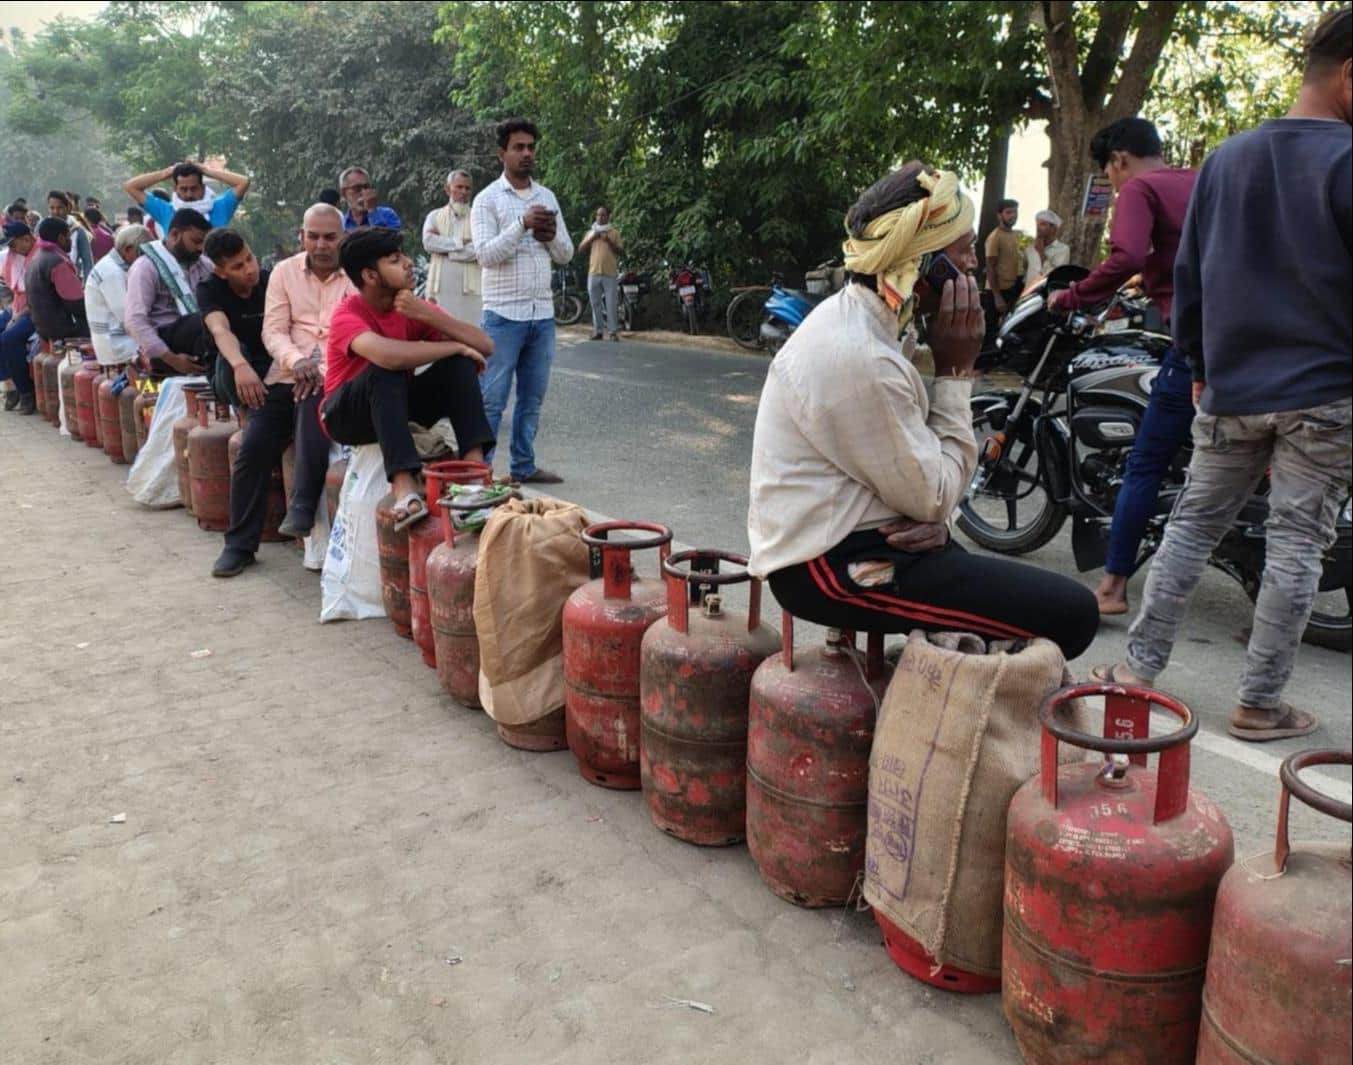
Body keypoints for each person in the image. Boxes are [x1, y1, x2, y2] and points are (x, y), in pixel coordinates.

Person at [1097, 6, 1351, 741]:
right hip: (1324, 393)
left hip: (1229, 384)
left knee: (1190, 526)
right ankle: (1258, 703)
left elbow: (1190, 277)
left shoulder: (1226, 160)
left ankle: (1137, 670)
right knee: (1296, 543)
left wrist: (1201, 366)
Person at [746, 162, 1098, 659]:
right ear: (923, 266)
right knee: (1073, 615)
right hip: (827, 566)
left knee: (1008, 591)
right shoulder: (862, 358)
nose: (973, 265)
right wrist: (956, 372)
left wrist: (938, 518)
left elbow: (923, 483)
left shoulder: (873, 323)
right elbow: (933, 496)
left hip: (865, 535)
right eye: (963, 251)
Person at [1048, 117, 1198, 616]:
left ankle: (1112, 587)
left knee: (1146, 463)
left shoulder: (1140, 189)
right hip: (1250, 338)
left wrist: (1071, 296)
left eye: (1109, 175)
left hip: (1198, 343)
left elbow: (1128, 254)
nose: (1113, 185)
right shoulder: (1198, 179)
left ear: (1118, 160)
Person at [320, 226, 495, 529]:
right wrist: (454, 346)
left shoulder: (410, 307)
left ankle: (474, 476)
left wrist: (429, 315)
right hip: (346, 416)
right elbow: (389, 356)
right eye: (394, 260)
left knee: (459, 364)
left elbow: (486, 345)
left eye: (403, 256)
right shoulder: (348, 314)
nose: (408, 263)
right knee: (385, 369)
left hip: (393, 406)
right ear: (370, 276)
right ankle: (404, 490)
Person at [471, 117, 574, 484]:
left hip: (541, 315)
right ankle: (479, 473)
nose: (527, 153)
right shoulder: (487, 200)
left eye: (531, 147)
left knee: (532, 400)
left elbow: (565, 254)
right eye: (518, 147)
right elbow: (485, 255)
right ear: (502, 153)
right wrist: (522, 225)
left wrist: (549, 235)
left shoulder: (547, 197)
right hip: (502, 315)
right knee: (492, 400)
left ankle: (523, 465)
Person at [259, 203, 355, 540]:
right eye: (313, 236)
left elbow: (359, 335)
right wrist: (297, 362)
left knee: (313, 396)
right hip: (289, 373)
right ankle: (240, 541)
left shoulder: (358, 274)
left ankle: (301, 505)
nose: (321, 245)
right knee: (253, 444)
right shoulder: (283, 272)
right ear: (302, 236)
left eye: (330, 237)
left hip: (340, 375)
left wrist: (321, 371)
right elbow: (273, 330)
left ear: (343, 238)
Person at [192, 228, 274, 576]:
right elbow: (220, 331)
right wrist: (241, 366)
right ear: (221, 271)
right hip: (231, 373)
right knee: (253, 446)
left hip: (275, 369)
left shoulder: (270, 281)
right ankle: (239, 545)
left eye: (250, 259)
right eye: (238, 266)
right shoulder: (210, 289)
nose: (250, 269)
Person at [124, 208, 213, 375]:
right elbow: (134, 321)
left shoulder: (203, 264)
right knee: (202, 321)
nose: (201, 248)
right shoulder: (145, 267)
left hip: (198, 336)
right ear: (174, 235)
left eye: (203, 243)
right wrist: (173, 359)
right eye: (196, 241)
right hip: (164, 347)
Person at [23, 218, 90, 410]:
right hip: (63, 328)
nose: (70, 241)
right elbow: (76, 304)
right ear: (61, 238)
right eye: (68, 237)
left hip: (43, 326)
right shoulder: (57, 262)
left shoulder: (36, 258)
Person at [85, 223, 152, 367]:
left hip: (121, 337)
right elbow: (129, 318)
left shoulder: (116, 266)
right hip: (116, 344)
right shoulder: (111, 272)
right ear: (128, 250)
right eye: (143, 254)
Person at [123, 160, 250, 232]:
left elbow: (243, 182)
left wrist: (206, 171)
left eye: (194, 189)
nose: (189, 194)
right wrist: (166, 173)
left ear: (203, 187)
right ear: (175, 189)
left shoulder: (219, 208)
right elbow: (131, 186)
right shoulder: (166, 211)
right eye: (183, 189)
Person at [422, 169, 481, 322]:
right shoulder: (434, 216)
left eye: (467, 188)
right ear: (448, 189)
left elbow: (480, 249)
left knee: (470, 332)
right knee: (440, 331)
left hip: (471, 292)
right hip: (441, 289)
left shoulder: (479, 218)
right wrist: (460, 242)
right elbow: (428, 242)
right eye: (459, 187)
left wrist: (447, 251)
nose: (464, 192)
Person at [0, 221, 36, 412]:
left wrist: (16, 317)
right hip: (18, 306)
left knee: (9, 337)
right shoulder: (13, 256)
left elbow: (38, 297)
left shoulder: (38, 256)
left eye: (14, 244)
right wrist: (13, 314)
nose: (12, 249)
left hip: (37, 309)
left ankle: (25, 392)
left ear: (27, 239)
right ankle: (9, 385)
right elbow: (12, 290)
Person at [578, 206, 624, 341]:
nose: (600, 217)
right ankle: (598, 331)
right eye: (598, 215)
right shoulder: (591, 232)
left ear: (608, 217)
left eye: (603, 215)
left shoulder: (614, 233)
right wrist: (592, 238)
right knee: (595, 303)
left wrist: (608, 240)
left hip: (610, 273)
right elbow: (580, 249)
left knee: (611, 304)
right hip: (593, 272)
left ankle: (613, 332)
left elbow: (621, 251)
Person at [983, 197, 1022, 316]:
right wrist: (997, 297)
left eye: (1015, 212)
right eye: (1008, 212)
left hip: (1012, 289)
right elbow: (990, 267)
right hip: (997, 292)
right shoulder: (995, 237)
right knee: (992, 326)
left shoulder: (1016, 235)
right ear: (999, 215)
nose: (1013, 215)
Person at [46, 190, 94, 280]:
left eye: (60, 208)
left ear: (68, 208)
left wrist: (87, 284)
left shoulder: (78, 231)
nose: (56, 212)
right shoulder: (43, 228)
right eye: (52, 208)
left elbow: (87, 262)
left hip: (72, 280)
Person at [338, 167, 401, 231]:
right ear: (343, 193)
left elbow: (388, 237)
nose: (363, 192)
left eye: (366, 187)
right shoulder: (340, 225)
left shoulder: (387, 215)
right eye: (357, 188)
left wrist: (372, 212)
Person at [1024, 209, 1070, 280]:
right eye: (1037, 224)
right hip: (1028, 286)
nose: (1038, 228)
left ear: (1054, 228)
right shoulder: (1030, 248)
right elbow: (1026, 269)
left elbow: (1057, 274)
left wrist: (1041, 253)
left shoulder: (1063, 249)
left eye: (1043, 224)